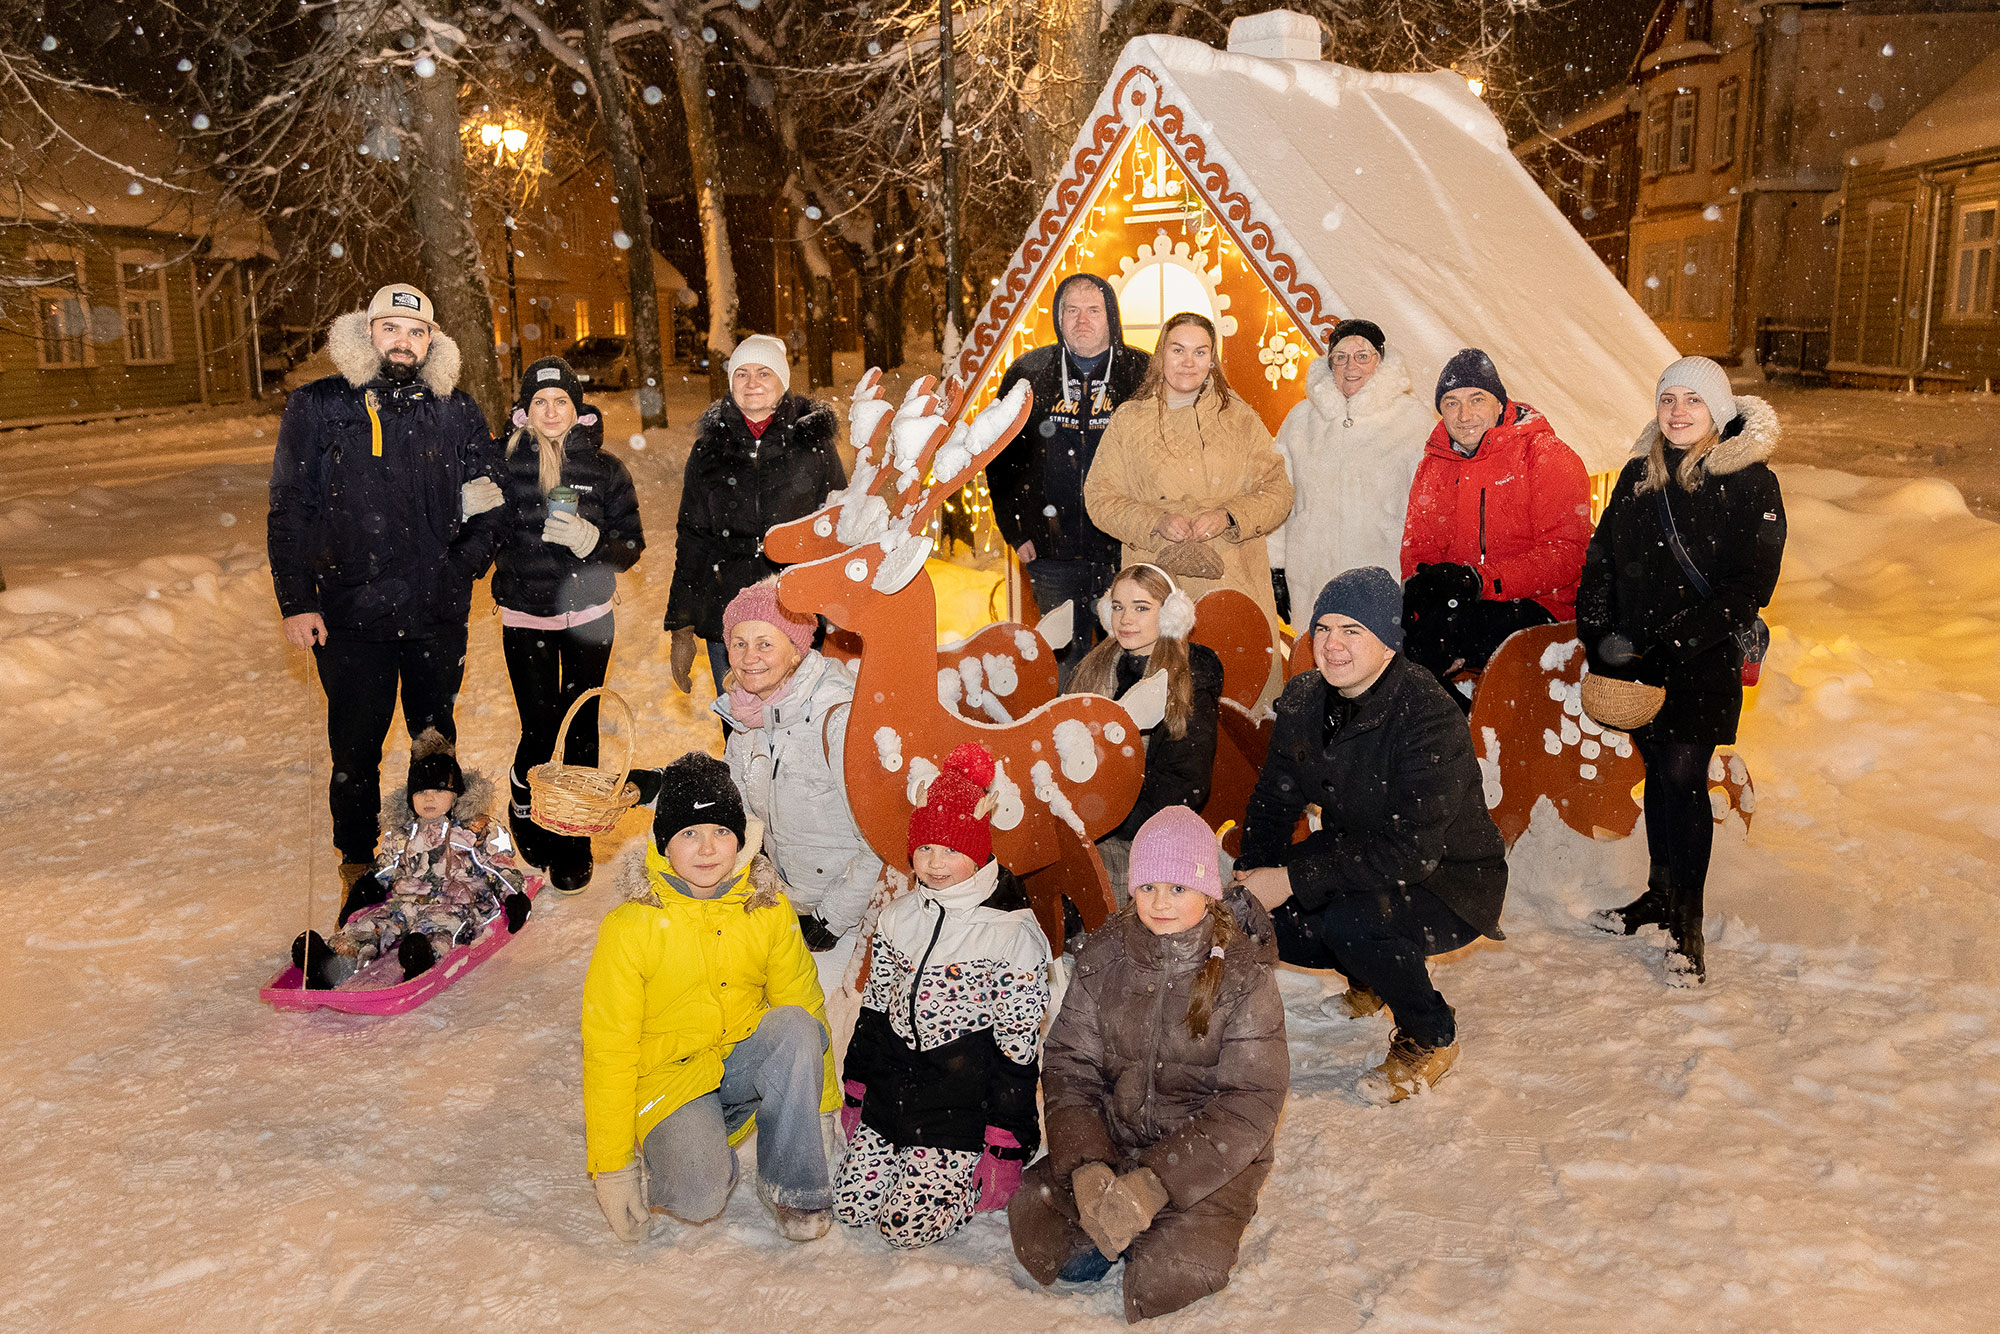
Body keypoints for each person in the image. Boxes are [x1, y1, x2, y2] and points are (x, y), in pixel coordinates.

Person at [1235, 568, 1507, 1103]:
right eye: (1323, 629)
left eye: (1352, 630)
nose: (1332, 645)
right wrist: (1254, 881)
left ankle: (1430, 1035)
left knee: (1348, 918)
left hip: (1448, 878)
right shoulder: (1304, 699)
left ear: (1387, 644)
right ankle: (1374, 977)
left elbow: (1412, 849)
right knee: (1272, 919)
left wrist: (1289, 878)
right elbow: (1274, 799)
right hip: (1361, 854)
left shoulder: (1427, 713)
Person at [267, 283, 504, 892]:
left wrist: (462, 567)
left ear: (432, 342)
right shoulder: (319, 406)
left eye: (416, 332)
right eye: (391, 328)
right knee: (355, 751)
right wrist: (297, 599)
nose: (403, 342)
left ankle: (437, 859)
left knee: (434, 745)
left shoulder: (457, 411)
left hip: (434, 614)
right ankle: (358, 863)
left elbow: (491, 502)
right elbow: (289, 507)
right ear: (367, 332)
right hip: (348, 615)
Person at [1009, 806, 1287, 1323]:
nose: (1160, 903)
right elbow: (1071, 1065)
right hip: (1116, 1139)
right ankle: (1114, 1220)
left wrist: (1155, 1183)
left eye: (1179, 888)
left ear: (1208, 892)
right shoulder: (1104, 956)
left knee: (1166, 1281)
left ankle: (1153, 1225)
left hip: (1205, 1161)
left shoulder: (1244, 979)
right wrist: (1089, 1166)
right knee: (1037, 1222)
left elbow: (1251, 1101)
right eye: (1148, 887)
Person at [1577, 357, 1785, 986]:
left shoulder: (1752, 482)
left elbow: (1753, 582)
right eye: (1669, 398)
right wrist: (1599, 635)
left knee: (1684, 777)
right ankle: (1660, 894)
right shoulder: (1639, 474)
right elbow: (1602, 556)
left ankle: (1687, 928)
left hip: (1702, 661)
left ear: (1718, 410)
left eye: (1694, 400)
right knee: (1658, 777)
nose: (1678, 412)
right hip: (1639, 662)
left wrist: (1681, 641)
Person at [582, 752, 840, 1243]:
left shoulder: (764, 907)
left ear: (740, 838)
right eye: (688, 834)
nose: (707, 849)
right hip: (671, 1078)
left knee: (797, 1026)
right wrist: (613, 1169)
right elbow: (607, 1049)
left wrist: (821, 1110)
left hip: (738, 1058)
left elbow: (804, 1001)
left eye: (721, 831)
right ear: (664, 844)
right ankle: (689, 1144)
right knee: (699, 1197)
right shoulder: (629, 928)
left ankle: (792, 1188)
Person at [834, 742, 1051, 1248]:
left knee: (902, 1227)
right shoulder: (898, 918)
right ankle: (896, 1152)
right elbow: (873, 1014)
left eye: (952, 850)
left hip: (959, 1111)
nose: (934, 863)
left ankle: (954, 1174)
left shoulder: (1010, 937)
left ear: (977, 851)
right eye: (926, 848)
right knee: (849, 1206)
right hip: (892, 1095)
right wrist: (857, 1087)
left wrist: (1005, 1143)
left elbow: (1017, 1051)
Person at [491, 357, 645, 893]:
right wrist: (467, 512)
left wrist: (592, 545)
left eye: (562, 402)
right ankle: (525, 805)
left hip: (588, 618)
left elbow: (632, 543)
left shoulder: (605, 470)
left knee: (580, 726)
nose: (551, 411)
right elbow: (481, 534)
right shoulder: (505, 467)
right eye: (540, 403)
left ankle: (573, 837)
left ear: (578, 411)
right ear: (524, 412)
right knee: (539, 724)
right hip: (524, 613)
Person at [1084, 312, 1294, 703]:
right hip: (1158, 586)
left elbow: (1278, 491)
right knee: (1163, 703)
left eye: (1200, 352)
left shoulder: (1241, 419)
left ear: (1212, 359)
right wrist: (1155, 520)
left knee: (1238, 702)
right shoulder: (1130, 421)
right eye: (1178, 350)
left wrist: (1229, 515)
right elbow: (1100, 497)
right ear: (1161, 354)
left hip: (1233, 580)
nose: (1188, 361)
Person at [1399, 347, 1591, 701]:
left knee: (1441, 639)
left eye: (1477, 399)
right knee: (1390, 638)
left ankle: (1461, 733)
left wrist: (1479, 581)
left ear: (1500, 404)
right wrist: (1423, 596)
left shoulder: (1547, 456)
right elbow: (1419, 550)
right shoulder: (1434, 466)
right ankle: (1454, 728)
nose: (1464, 413)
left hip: (1542, 604)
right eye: (1452, 403)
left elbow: (1566, 556)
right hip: (1467, 604)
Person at [988, 274, 1150, 685]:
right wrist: (1014, 527)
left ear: (1111, 316)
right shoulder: (1028, 373)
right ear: (1058, 318)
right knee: (1066, 664)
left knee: (1130, 657)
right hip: (1050, 551)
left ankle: (1128, 744)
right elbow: (999, 455)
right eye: (1071, 311)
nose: (1082, 321)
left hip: (1124, 549)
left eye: (1093, 310)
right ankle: (1074, 739)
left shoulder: (1142, 372)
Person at [663, 334, 845, 697]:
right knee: (738, 732)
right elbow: (693, 537)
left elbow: (838, 528)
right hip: (728, 613)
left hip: (797, 611)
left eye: (764, 373)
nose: (752, 383)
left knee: (798, 732)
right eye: (741, 374)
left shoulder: (813, 445)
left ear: (783, 382)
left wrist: (839, 615)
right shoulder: (708, 450)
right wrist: (681, 627)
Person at [708, 580, 883, 950]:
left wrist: (832, 918)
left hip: (851, 922)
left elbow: (880, 839)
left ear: (796, 651)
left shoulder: (837, 720)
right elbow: (729, 804)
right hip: (788, 904)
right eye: (739, 644)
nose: (749, 657)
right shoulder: (748, 713)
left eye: (765, 644)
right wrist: (661, 788)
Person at [291, 729, 529, 988]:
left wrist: (513, 896)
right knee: (374, 923)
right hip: (404, 903)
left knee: (439, 928)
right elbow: (386, 868)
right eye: (420, 792)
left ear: (456, 794)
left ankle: (421, 957)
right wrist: (364, 889)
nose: (428, 798)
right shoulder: (403, 833)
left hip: (458, 906)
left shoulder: (478, 829)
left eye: (438, 791)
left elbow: (497, 866)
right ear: (410, 797)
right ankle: (330, 963)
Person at [1064, 563, 1223, 898]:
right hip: (1090, 818)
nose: (1126, 619)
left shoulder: (1188, 682)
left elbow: (1184, 784)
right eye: (1118, 607)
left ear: (1170, 615)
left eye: (1141, 608)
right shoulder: (1096, 667)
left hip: (1144, 833)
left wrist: (1108, 818)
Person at [1269, 317, 1431, 625]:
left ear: (1380, 361)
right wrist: (1275, 567)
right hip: (1311, 575)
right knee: (1314, 661)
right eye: (1340, 357)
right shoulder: (1301, 420)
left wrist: (1419, 578)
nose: (1350, 366)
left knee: (1376, 662)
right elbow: (1278, 496)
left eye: (1362, 356)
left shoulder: (1414, 422)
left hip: (1380, 577)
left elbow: (1427, 513)